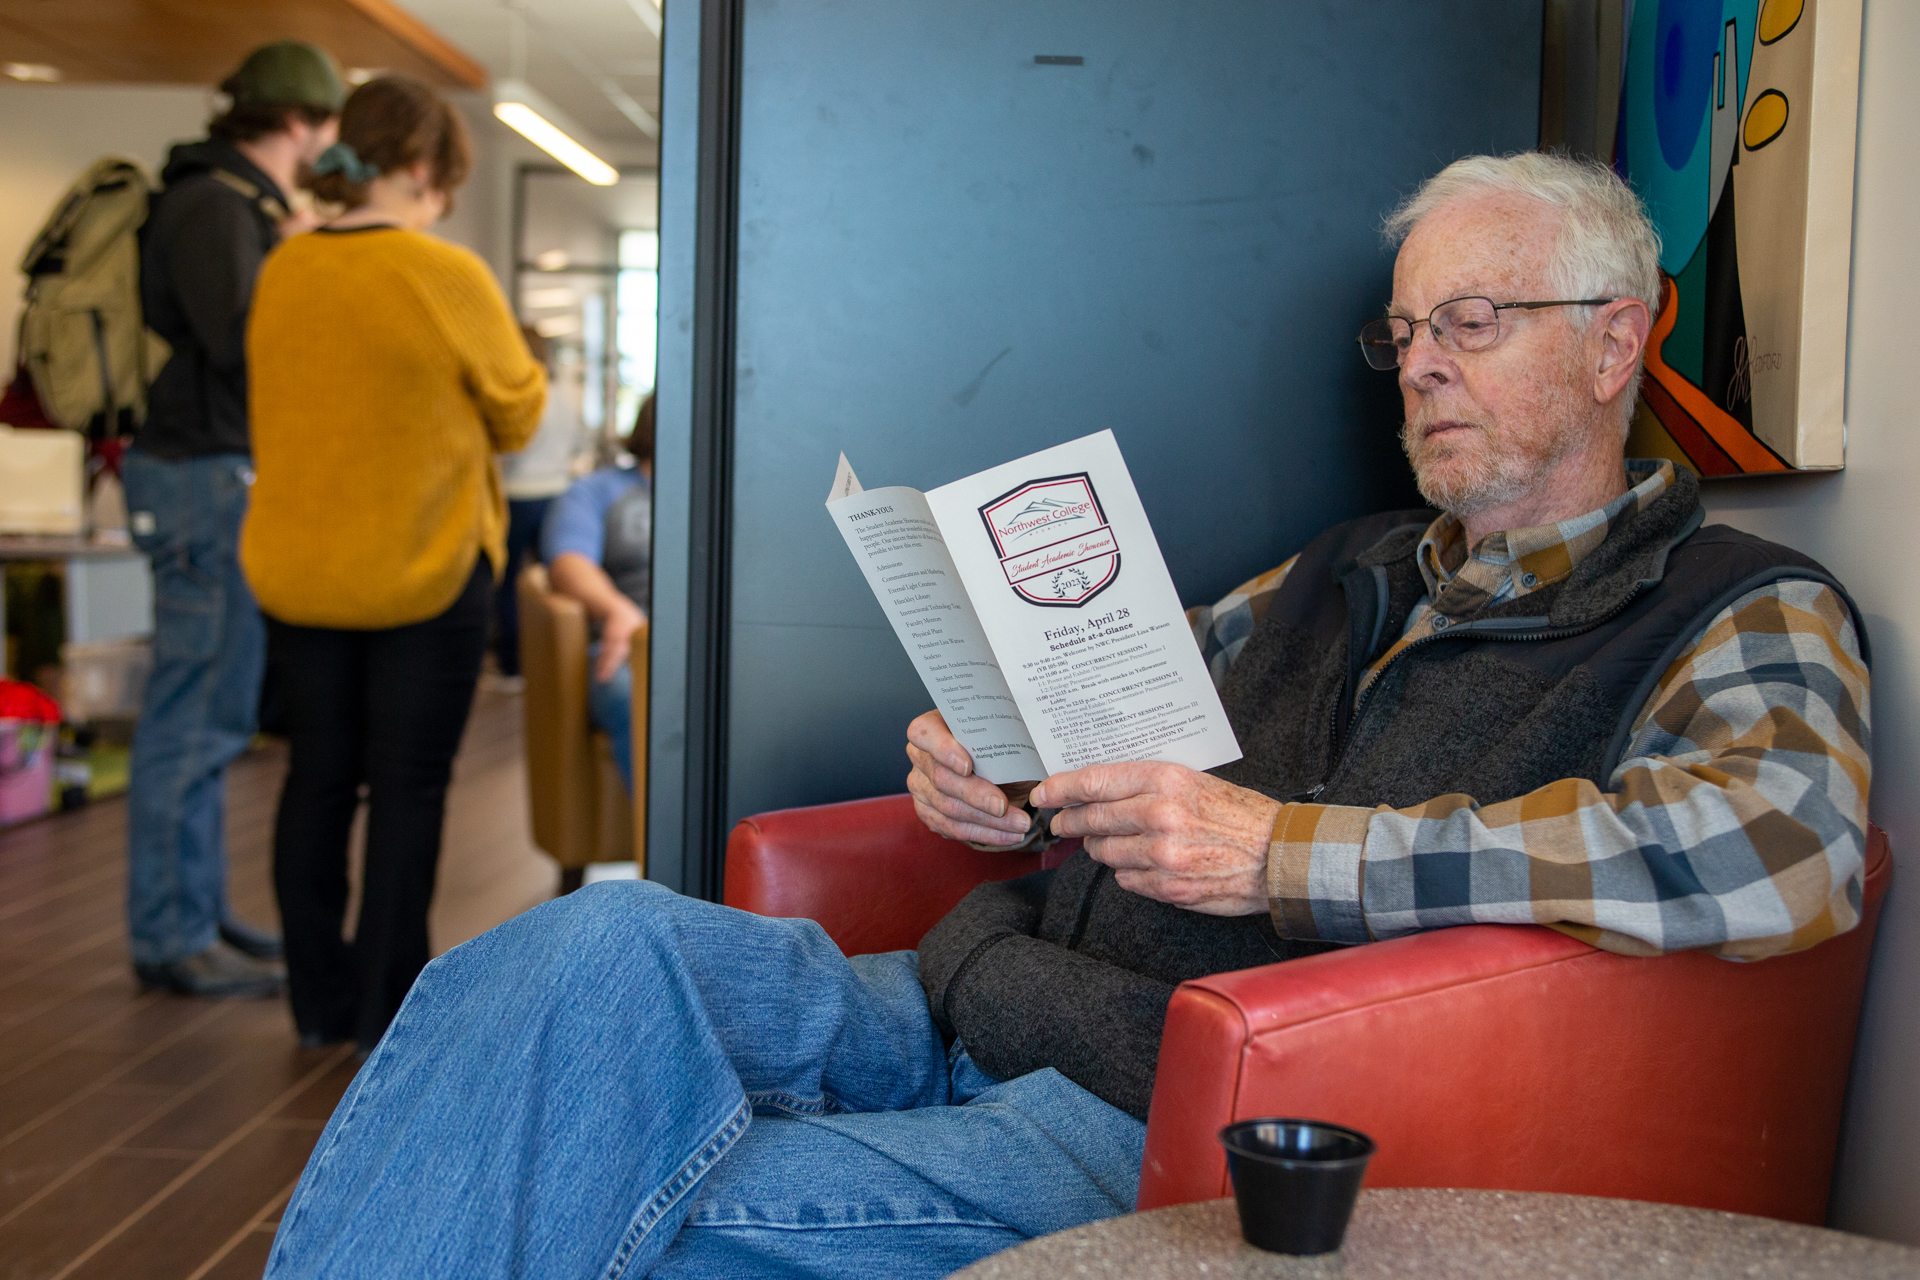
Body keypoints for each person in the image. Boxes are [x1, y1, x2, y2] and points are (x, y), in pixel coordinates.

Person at [263, 153, 1870, 1278]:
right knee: (576, 951)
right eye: (1405, 333)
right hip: (986, 992)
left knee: (609, 1178)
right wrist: (988, 761)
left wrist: (1283, 856)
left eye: (1472, 324)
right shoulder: (1349, 566)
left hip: (1164, 1107)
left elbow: (1779, 847)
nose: (1422, 370)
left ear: (1616, 337)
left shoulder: (1736, 603)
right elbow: (1097, 693)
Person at [241, 75, 545, 1053]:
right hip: (423, 568)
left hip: (301, 570)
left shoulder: (283, 269)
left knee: (318, 781)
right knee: (406, 788)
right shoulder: (442, 272)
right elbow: (519, 409)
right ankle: (387, 1014)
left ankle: (317, 1006)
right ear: (423, 169)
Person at [126, 40, 345, 999]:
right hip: (201, 478)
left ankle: (199, 915)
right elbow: (240, 338)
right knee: (194, 715)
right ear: (302, 122)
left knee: (215, 714)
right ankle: (171, 933)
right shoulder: (215, 206)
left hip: (211, 475)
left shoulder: (224, 200)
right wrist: (296, 256)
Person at [541, 393, 653, 787]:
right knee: (636, 696)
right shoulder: (597, 490)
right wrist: (615, 608)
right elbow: (567, 561)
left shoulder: (725, 495)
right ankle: (664, 844)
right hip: (620, 645)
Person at [488, 327, 589, 688]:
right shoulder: (560, 399)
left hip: (518, 496)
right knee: (550, 583)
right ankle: (551, 665)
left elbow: (507, 453)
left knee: (511, 584)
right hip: (557, 493)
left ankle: (513, 667)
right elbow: (581, 443)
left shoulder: (518, 397)